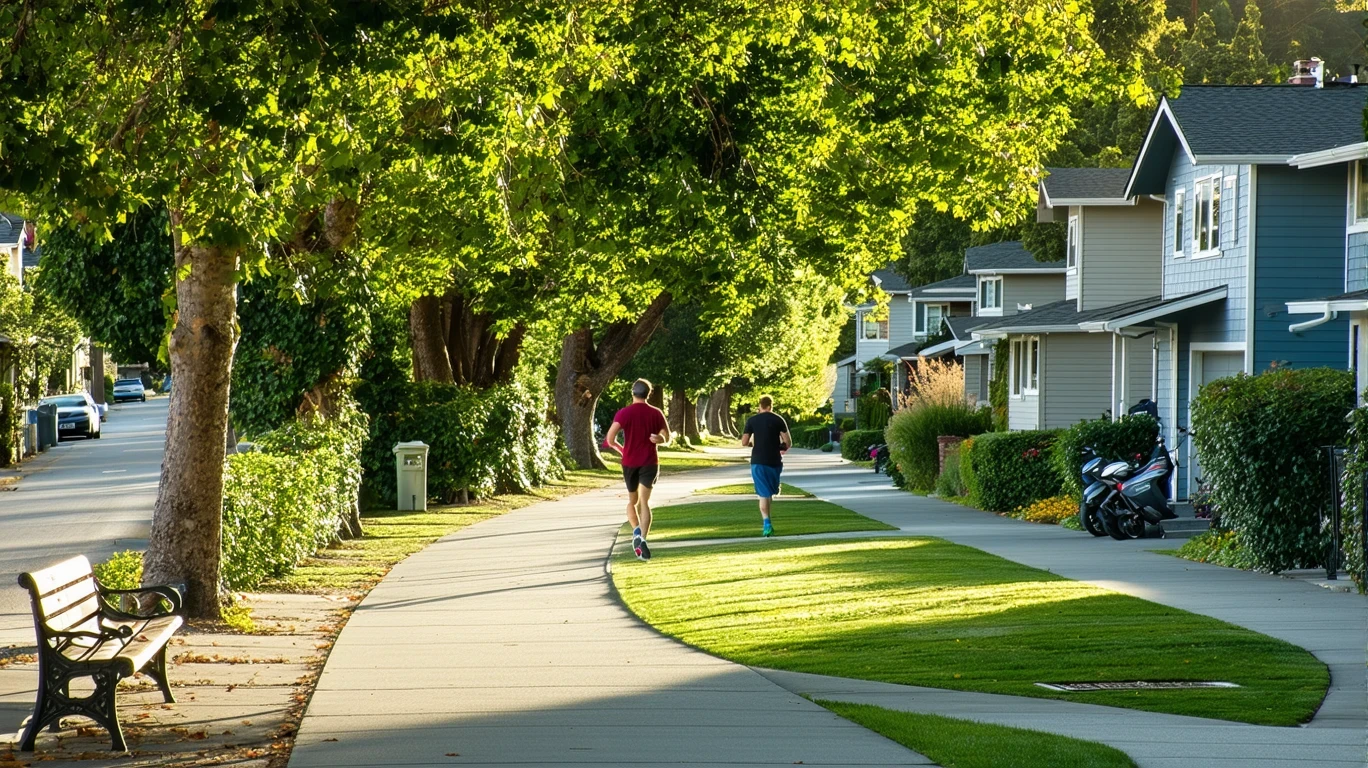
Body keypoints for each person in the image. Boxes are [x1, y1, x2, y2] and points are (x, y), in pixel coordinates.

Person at [604, 379, 670, 560]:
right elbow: (667, 436)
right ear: (649, 394)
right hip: (649, 462)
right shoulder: (656, 413)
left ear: (633, 392)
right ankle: (642, 539)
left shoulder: (624, 413)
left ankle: (636, 531)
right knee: (644, 502)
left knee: (632, 502)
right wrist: (661, 440)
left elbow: (610, 439)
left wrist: (622, 450)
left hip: (630, 462)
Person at [742, 395, 790, 536]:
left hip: (758, 461)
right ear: (771, 406)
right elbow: (788, 442)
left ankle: (767, 524)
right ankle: (767, 524)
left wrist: (753, 443)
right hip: (774, 460)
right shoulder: (778, 419)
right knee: (768, 493)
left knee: (764, 494)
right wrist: (781, 447)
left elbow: (744, 442)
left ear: (760, 406)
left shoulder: (752, 420)